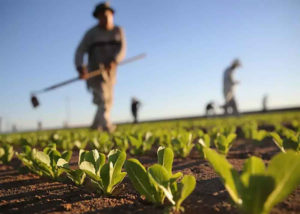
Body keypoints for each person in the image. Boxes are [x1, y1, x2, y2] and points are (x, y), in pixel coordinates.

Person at [74, 2, 126, 132]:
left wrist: (115, 60)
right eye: (101, 15)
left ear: (112, 15)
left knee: (108, 101)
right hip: (95, 72)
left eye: (107, 15)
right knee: (103, 99)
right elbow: (79, 51)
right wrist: (80, 67)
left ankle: (94, 126)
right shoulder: (91, 34)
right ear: (97, 17)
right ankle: (106, 126)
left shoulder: (118, 31)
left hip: (110, 73)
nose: (105, 18)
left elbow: (122, 49)